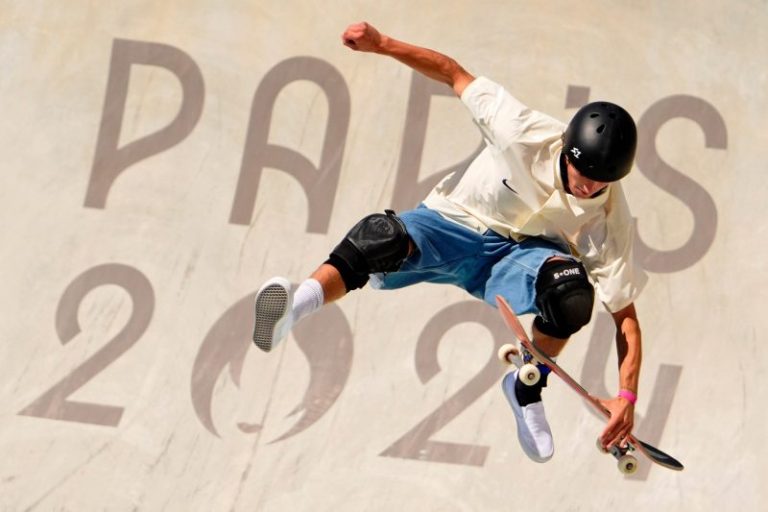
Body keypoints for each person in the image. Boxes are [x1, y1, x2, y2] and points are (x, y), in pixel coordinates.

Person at [251, 21, 647, 464]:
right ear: (567, 151)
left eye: (603, 183)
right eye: (584, 178)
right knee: (379, 237)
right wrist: (382, 45)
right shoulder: (519, 129)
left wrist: (627, 395)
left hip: (516, 259)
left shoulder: (611, 217)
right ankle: (295, 305)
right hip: (452, 224)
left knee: (572, 293)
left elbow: (626, 318)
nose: (591, 190)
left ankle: (525, 387)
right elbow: (453, 73)